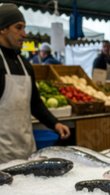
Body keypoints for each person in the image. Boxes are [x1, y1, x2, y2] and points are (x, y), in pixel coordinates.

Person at [0, 3, 70, 162]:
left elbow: (35, 104)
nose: (24, 34)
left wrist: (55, 124)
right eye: (18, 28)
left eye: (24, 28)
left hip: (26, 149)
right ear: (2, 28)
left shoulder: (25, 65)